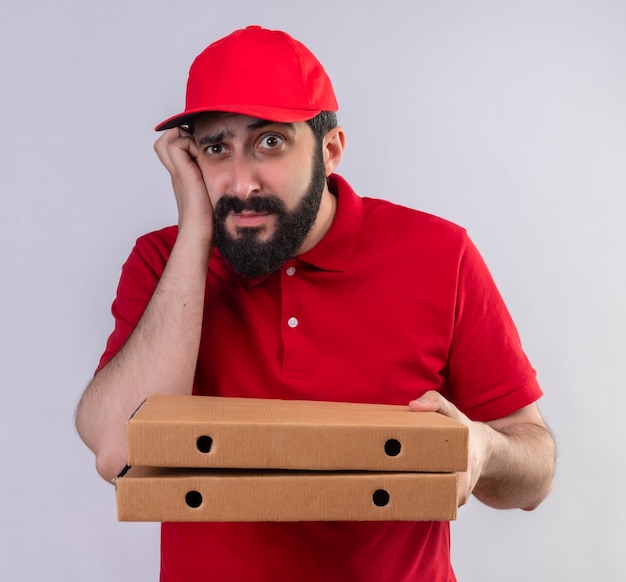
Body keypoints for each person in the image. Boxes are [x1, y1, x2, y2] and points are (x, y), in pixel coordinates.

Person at [75, 25, 555, 582]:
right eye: (215, 148)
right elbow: (117, 451)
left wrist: (484, 449)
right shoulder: (163, 261)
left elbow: (535, 474)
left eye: (269, 142)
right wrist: (195, 233)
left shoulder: (439, 254)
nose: (240, 182)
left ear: (330, 151)